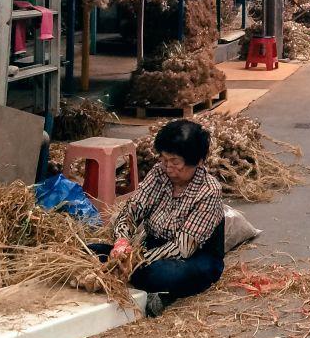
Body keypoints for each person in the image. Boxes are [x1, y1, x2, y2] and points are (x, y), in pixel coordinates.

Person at [93, 119, 226, 317]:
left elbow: (183, 248)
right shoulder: (159, 173)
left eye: (175, 162)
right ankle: (135, 277)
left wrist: (135, 262)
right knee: (91, 251)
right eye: (164, 160)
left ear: (197, 162)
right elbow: (131, 210)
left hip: (191, 259)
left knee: (164, 274)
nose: (168, 168)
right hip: (149, 248)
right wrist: (121, 243)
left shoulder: (209, 191)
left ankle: (150, 286)